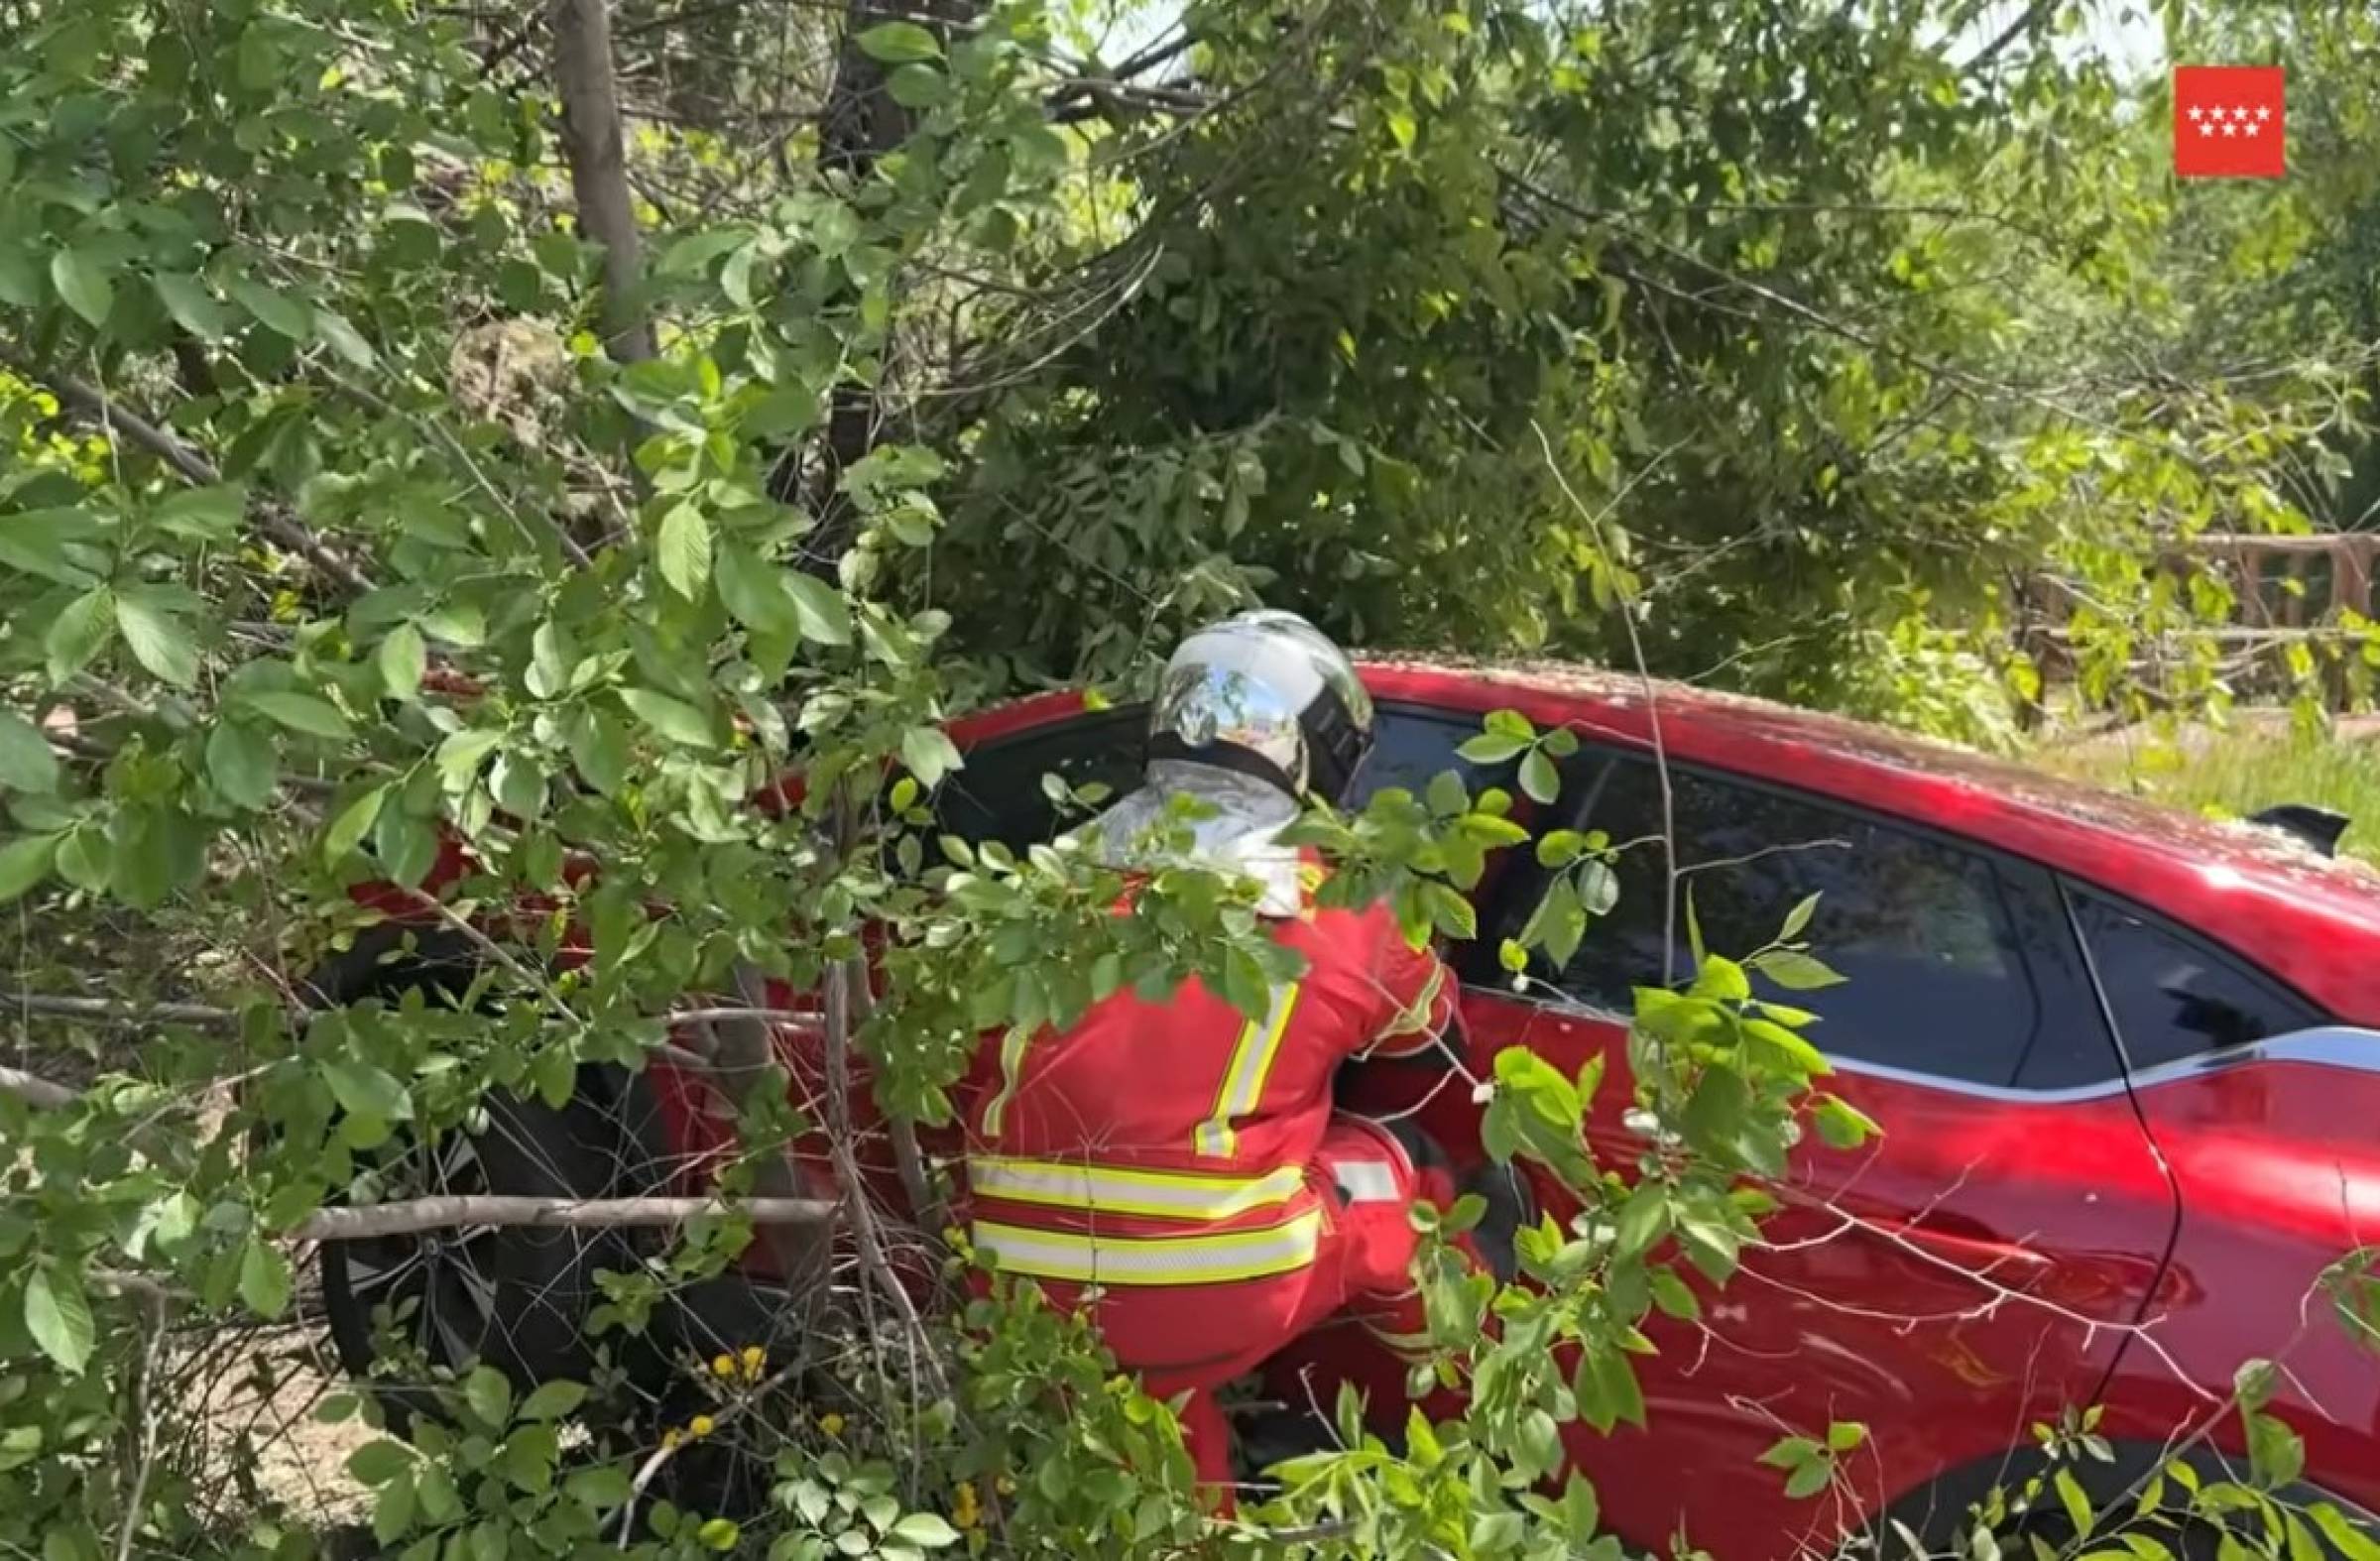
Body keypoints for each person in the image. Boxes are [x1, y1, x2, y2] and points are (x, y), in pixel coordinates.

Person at [959, 609, 1509, 1508]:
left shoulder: (1052, 883)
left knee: (1155, 1401)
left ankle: (1191, 1518)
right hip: (1211, 1287)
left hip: (1014, 1275)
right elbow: (1432, 1048)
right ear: (1318, 750)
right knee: (1392, 1168)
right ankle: (1476, 1358)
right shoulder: (1343, 907)